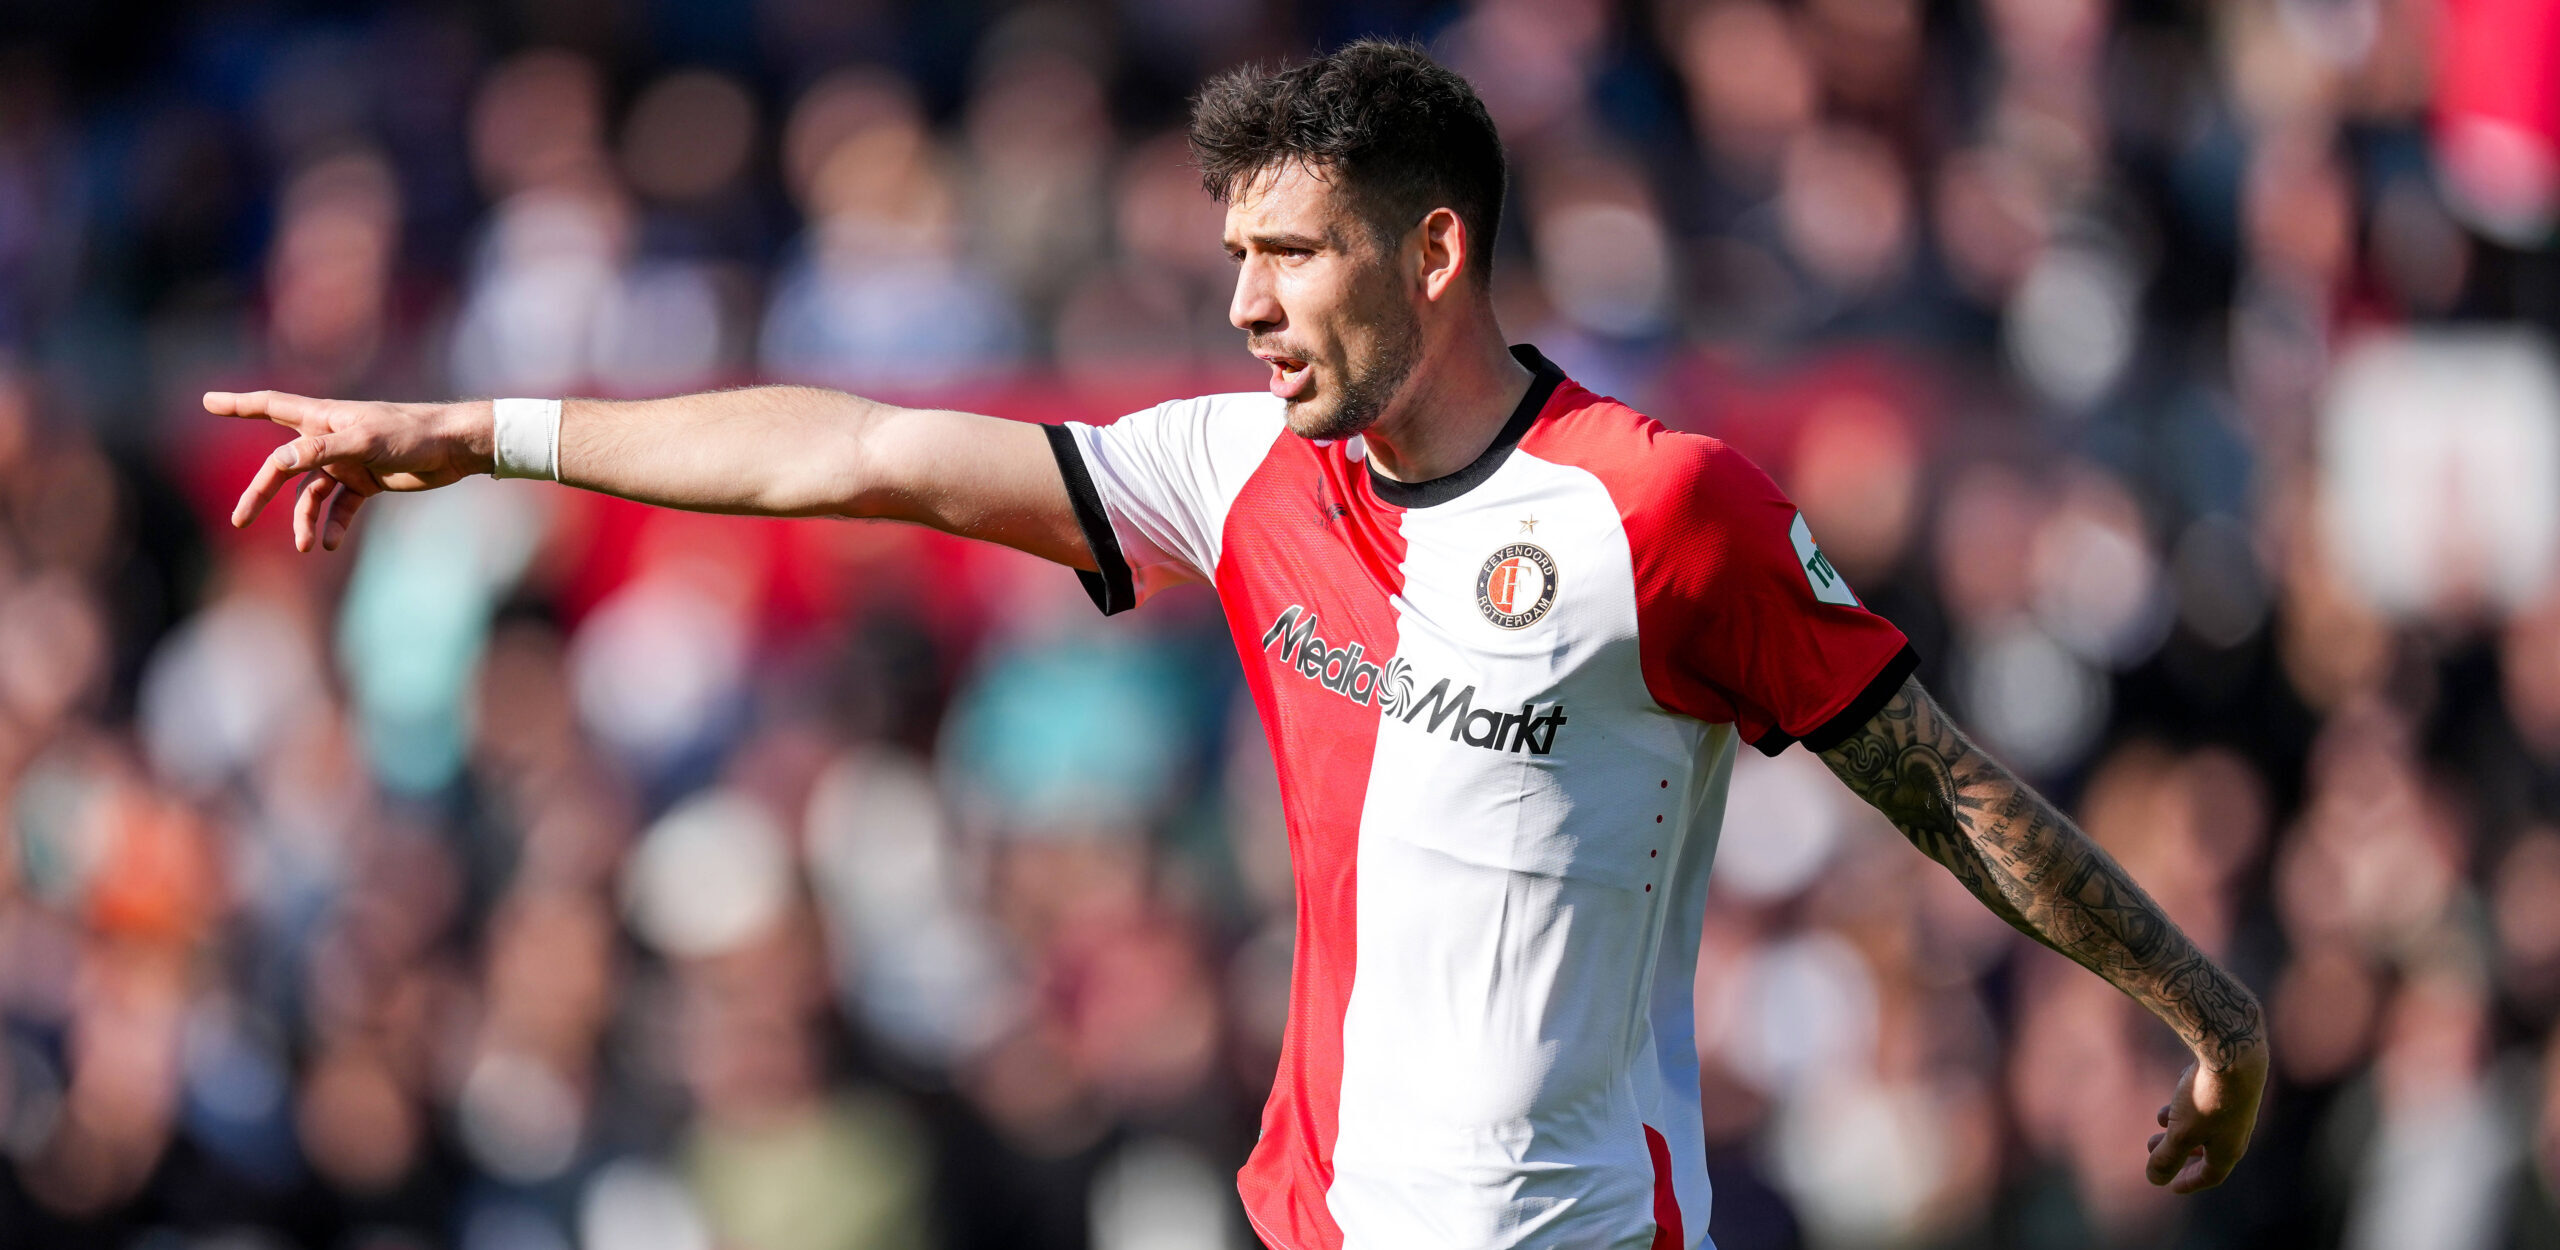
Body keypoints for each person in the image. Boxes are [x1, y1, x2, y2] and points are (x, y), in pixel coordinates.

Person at [211, 40, 2266, 1250]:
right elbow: (848, 448)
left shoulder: (1658, 507)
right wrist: (477, 432)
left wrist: (2200, 1008)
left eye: (1286, 254)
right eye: (1232, 260)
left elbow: (1941, 785)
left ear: (1432, 250)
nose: (1247, 305)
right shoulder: (1238, 474)